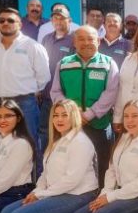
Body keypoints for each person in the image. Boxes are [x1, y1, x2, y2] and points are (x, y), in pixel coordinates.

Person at [51, 26, 120, 187]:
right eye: (81, 39)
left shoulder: (108, 63)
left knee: (103, 163)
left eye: (90, 39)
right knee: (72, 162)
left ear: (98, 41)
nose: (86, 43)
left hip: (99, 125)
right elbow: (56, 91)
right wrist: (71, 114)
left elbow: (111, 92)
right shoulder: (64, 64)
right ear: (74, 42)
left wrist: (90, 114)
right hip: (70, 125)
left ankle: (102, 193)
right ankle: (77, 193)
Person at [0, 7, 50, 167]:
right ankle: (6, 178)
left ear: (20, 24)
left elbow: (43, 76)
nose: (5, 23)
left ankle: (35, 178)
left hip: (24, 103)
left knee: (29, 143)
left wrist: (27, 90)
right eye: (2, 20)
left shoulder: (31, 46)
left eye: (10, 20)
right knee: (3, 143)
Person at [38, 4, 76, 152]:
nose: (58, 21)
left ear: (69, 20)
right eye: (55, 18)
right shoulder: (46, 38)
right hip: (47, 96)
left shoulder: (75, 39)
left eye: (62, 18)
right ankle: (45, 162)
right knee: (45, 131)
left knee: (67, 133)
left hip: (66, 97)